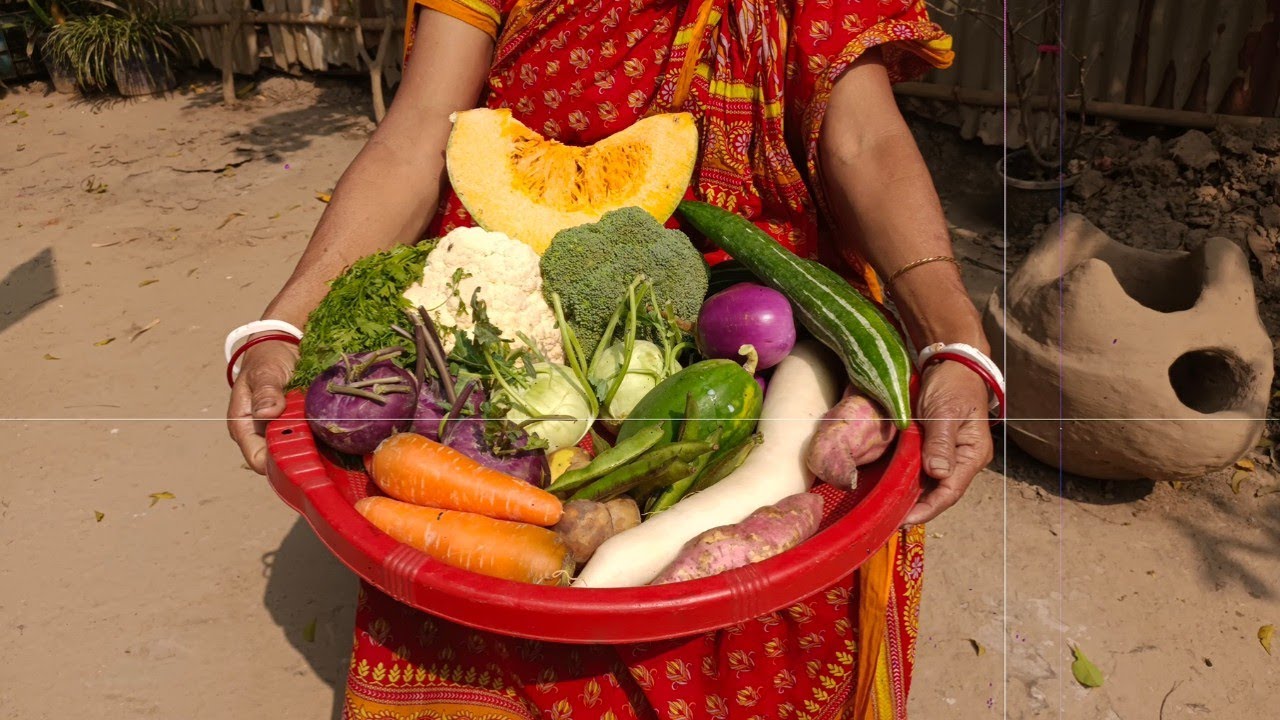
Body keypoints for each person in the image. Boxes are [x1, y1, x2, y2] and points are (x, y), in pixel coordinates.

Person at [227, 1, 997, 717]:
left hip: (762, 311)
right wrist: (281, 326)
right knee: (490, 610)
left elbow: (863, 137)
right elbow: (419, 130)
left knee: (760, 627)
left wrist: (953, 338)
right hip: (527, 318)